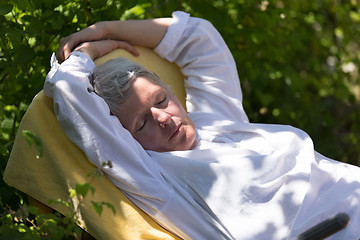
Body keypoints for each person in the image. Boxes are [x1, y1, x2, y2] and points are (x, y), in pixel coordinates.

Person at [44, 11, 360, 239]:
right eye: (143, 124)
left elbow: (199, 39)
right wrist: (86, 53)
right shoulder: (156, 179)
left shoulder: (217, 123)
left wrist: (104, 30)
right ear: (125, 141)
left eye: (160, 100)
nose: (163, 119)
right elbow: (70, 92)